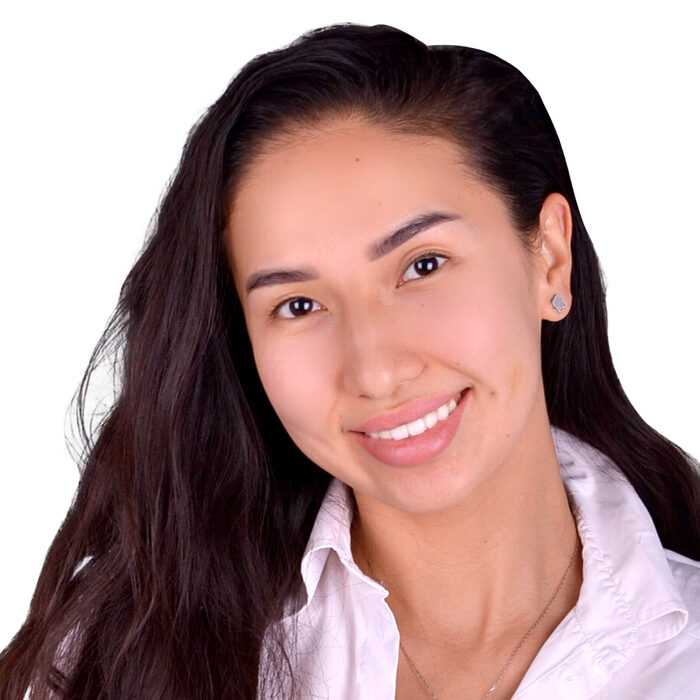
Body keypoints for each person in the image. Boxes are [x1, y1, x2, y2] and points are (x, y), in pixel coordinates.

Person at [1, 21, 698, 700]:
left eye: (423, 266)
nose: (376, 371)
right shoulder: (116, 663)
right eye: (299, 305)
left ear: (549, 258)